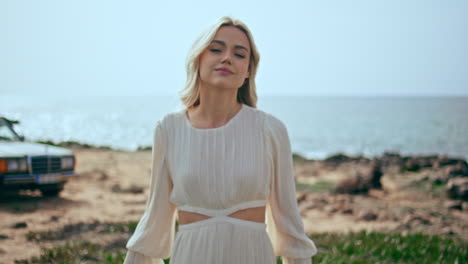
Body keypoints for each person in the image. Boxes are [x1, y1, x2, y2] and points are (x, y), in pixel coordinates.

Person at [123, 16, 317, 264]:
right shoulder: (169, 129)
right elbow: (155, 217)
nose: (226, 58)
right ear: (198, 59)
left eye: (239, 54)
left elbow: (290, 224)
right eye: (216, 49)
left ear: (248, 71)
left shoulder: (270, 129)